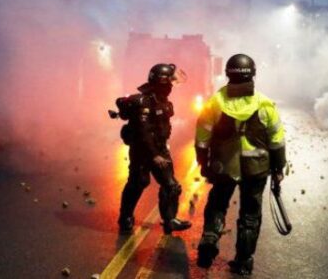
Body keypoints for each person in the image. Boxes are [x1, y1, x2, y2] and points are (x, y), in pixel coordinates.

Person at [194, 54, 286, 276]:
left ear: (228, 74)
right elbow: (277, 140)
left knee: (217, 204)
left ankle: (210, 237)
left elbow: (202, 137)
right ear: (253, 74)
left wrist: (203, 163)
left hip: (224, 167)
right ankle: (243, 262)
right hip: (257, 169)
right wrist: (278, 169)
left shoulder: (215, 102)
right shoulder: (265, 104)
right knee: (250, 215)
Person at [116, 63, 191, 234]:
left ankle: (170, 220)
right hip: (143, 151)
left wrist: (162, 148)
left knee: (171, 186)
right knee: (138, 183)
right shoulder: (144, 103)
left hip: (160, 148)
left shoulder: (164, 102)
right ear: (161, 82)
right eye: (170, 82)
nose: (172, 86)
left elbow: (163, 128)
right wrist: (155, 156)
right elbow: (144, 133)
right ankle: (125, 217)